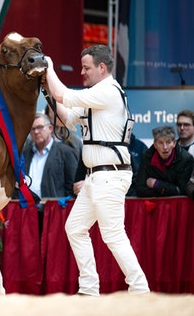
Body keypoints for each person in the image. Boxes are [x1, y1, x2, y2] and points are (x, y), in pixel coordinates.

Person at [43, 44, 150, 296]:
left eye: (86, 67)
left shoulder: (108, 92)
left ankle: (140, 290)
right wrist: (47, 89)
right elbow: (68, 118)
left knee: (113, 235)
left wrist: (48, 66)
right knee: (75, 228)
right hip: (96, 177)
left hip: (110, 174)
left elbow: (64, 96)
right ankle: (89, 287)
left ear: (102, 68)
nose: (82, 72)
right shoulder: (96, 95)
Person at [22, 113, 78, 199]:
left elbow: (72, 187)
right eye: (32, 129)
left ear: (50, 128)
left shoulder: (66, 153)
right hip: (28, 209)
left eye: (40, 127)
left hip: (55, 209)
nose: (36, 132)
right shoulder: (24, 155)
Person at [135, 126, 194, 197]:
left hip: (176, 204)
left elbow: (181, 190)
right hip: (154, 204)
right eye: (161, 142)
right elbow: (139, 189)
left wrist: (156, 184)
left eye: (168, 142)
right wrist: (167, 191)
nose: (165, 147)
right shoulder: (147, 157)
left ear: (174, 143)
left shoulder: (186, 159)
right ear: (155, 144)